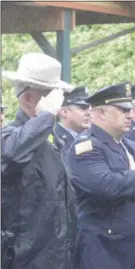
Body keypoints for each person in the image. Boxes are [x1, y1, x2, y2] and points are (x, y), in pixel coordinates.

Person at [1, 52, 75, 269]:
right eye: (49, 95)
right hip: (24, 259)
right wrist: (46, 116)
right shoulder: (11, 136)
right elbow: (12, 154)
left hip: (57, 257)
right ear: (28, 98)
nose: (57, 105)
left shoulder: (46, 140)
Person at [66, 82, 135, 269]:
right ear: (101, 113)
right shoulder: (86, 147)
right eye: (122, 110)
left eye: (130, 109)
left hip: (132, 245)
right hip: (104, 247)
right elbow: (102, 184)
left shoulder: (129, 145)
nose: (130, 115)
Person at [54, 86, 91, 156]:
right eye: (83, 108)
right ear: (64, 112)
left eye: (89, 108)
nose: (89, 113)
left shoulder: (89, 137)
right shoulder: (54, 138)